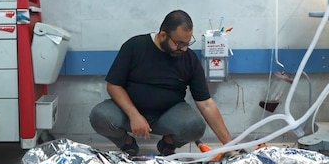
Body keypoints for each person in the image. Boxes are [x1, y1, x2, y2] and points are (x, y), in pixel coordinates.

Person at [89, 10, 233, 156]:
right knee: (100, 116)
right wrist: (134, 115)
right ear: (163, 35)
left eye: (187, 43)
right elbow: (113, 85)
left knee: (195, 126)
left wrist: (230, 147)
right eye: (179, 43)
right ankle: (126, 143)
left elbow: (206, 104)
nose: (183, 49)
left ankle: (168, 143)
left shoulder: (189, 60)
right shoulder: (135, 46)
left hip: (167, 115)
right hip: (129, 112)